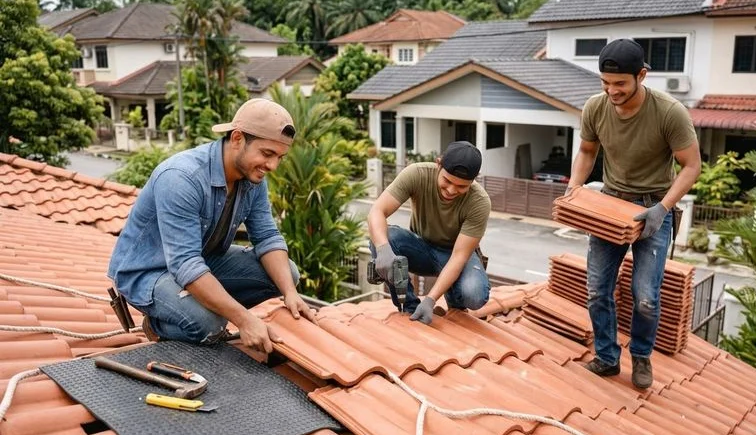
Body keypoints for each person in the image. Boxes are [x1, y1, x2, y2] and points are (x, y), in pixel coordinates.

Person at [108, 99, 317, 354]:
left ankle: (207, 303)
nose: (273, 166)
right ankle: (159, 324)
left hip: (200, 259)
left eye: (280, 157)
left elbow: (267, 237)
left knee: (287, 275)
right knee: (209, 324)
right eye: (267, 154)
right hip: (148, 272)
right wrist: (244, 319)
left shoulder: (253, 179)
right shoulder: (181, 177)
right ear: (237, 138)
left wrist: (290, 293)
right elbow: (185, 264)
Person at [567, 38, 701, 389]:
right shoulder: (595, 107)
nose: (612, 91)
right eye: (605, 83)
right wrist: (574, 187)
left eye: (620, 83)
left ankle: (641, 356)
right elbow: (587, 151)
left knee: (645, 297)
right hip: (612, 204)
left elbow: (691, 166)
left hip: (654, 207)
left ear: (641, 75)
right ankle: (607, 357)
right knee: (597, 290)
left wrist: (663, 208)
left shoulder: (669, 112)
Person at [367, 141, 492, 324]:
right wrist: (383, 249)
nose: (451, 190)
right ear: (438, 164)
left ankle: (456, 305)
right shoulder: (416, 174)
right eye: (447, 181)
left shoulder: (479, 202)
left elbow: (459, 257)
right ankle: (409, 306)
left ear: (473, 180)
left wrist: (430, 300)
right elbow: (377, 211)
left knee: (474, 294)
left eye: (461, 187)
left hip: (455, 254)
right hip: (421, 248)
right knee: (383, 238)